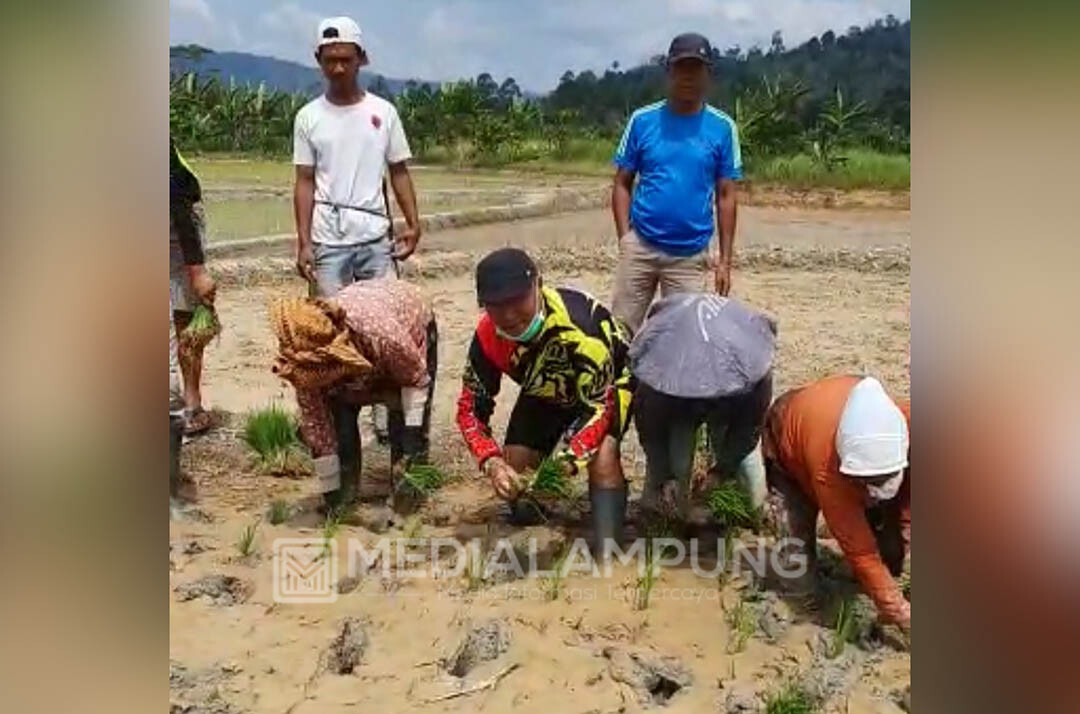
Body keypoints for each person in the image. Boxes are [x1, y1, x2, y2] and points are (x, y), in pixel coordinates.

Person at [455, 248, 633, 555]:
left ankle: (610, 547)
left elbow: (600, 409)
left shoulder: (581, 327)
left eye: (518, 301)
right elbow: (470, 408)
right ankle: (540, 525)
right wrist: (492, 462)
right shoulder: (488, 338)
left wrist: (568, 461)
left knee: (602, 457)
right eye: (498, 307)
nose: (510, 315)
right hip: (545, 389)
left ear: (538, 284)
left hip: (605, 390)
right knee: (516, 470)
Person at [611, 32, 742, 333]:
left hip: (689, 254)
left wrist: (725, 261)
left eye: (696, 69)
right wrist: (624, 239)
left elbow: (726, 196)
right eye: (682, 68)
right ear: (669, 71)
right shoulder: (642, 121)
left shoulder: (723, 128)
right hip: (640, 246)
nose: (688, 77)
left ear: (708, 75)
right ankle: (619, 382)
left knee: (683, 338)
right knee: (620, 332)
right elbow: (622, 183)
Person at [270, 279, 437, 510]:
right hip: (369, 317)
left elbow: (416, 381)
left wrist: (412, 435)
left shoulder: (384, 338)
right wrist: (330, 490)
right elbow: (319, 430)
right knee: (340, 424)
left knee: (406, 427)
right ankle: (343, 498)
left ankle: (408, 498)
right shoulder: (304, 363)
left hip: (405, 320)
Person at [762, 375, 911, 633]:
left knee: (893, 543)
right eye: (868, 483)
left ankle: (876, 578)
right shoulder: (828, 471)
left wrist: (904, 539)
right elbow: (860, 551)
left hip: (832, 403)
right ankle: (804, 600)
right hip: (789, 431)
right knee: (796, 545)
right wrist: (900, 612)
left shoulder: (909, 425)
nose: (873, 492)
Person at [292, 15, 421, 297]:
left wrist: (413, 223)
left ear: (361, 59)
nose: (338, 68)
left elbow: (398, 171)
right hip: (327, 241)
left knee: (384, 322)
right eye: (330, 60)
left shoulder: (383, 113)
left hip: (374, 238)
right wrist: (304, 243)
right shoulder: (308, 117)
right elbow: (304, 181)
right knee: (329, 325)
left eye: (346, 60)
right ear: (319, 60)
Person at [629, 293, 773, 519]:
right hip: (677, 406)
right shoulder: (659, 375)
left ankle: (755, 514)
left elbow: (747, 430)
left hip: (732, 406)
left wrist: (721, 471)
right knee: (677, 461)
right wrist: (666, 473)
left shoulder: (752, 372)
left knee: (746, 464)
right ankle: (664, 511)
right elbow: (652, 433)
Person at [169, 140, 218, 435]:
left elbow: (178, 205)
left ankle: (191, 403)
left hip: (178, 224)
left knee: (185, 316)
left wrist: (197, 270)